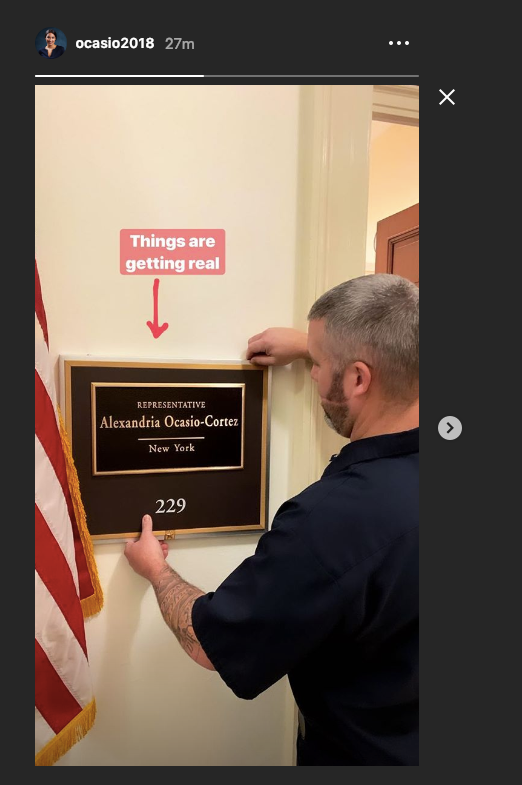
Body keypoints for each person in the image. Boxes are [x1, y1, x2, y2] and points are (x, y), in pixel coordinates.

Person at [124, 273, 419, 766]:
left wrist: (156, 570)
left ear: (358, 378)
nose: (312, 374)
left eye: (319, 366)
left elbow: (208, 644)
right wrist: (314, 346)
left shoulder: (329, 522)